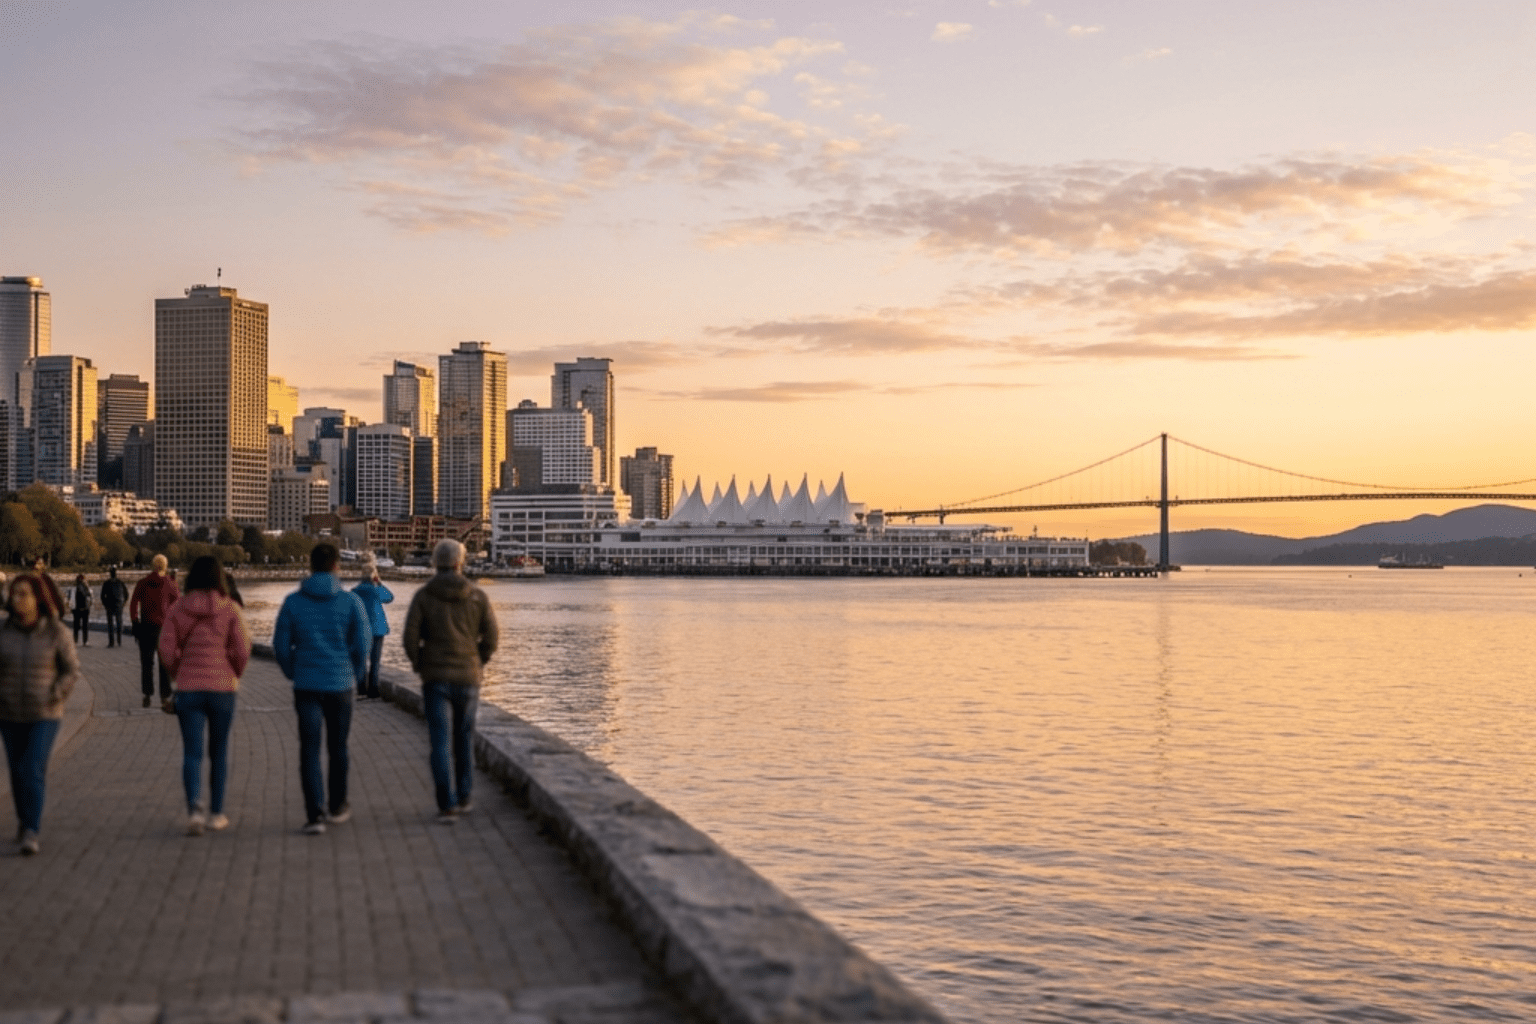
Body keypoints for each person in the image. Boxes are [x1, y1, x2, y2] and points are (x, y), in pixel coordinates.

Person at [273, 542, 369, 835]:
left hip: (307, 685)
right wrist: (354, 672)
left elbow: (281, 645)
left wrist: (293, 671)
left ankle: (315, 815)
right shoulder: (351, 602)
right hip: (340, 685)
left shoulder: (293, 602)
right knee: (338, 747)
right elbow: (362, 643)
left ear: (310, 566)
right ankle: (338, 806)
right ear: (337, 566)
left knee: (309, 750)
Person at [402, 539, 498, 823]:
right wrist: (478, 660)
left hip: (435, 678)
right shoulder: (478, 596)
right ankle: (465, 796)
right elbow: (491, 638)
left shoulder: (423, 596)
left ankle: (447, 804)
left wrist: (420, 663)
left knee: (440, 742)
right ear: (460, 563)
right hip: (468, 676)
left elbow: (410, 638)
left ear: (435, 563)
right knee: (464, 739)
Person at [159, 556, 251, 836]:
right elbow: (243, 648)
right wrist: (233, 671)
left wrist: (178, 671)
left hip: (189, 688)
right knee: (219, 752)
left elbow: (165, 648)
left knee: (192, 753)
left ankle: (194, 811)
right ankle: (216, 814)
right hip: (223, 689)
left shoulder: (178, 609)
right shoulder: (230, 608)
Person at [0, 573, 78, 855]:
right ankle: (23, 820)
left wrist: (56, 693)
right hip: (9, 713)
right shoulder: (3, 632)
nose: (17, 599)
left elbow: (71, 669)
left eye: (23, 594)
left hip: (44, 713)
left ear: (37, 599)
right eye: (14, 593)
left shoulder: (55, 632)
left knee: (32, 767)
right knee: (18, 771)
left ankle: (31, 828)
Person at [130, 555, 180, 709]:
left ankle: (147, 695)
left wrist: (135, 621)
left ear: (152, 565)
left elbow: (133, 604)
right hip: (164, 630)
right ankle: (164, 697)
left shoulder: (142, 583)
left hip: (145, 628)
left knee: (147, 663)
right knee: (164, 665)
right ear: (165, 566)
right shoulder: (171, 584)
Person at [350, 555, 394, 700]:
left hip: (360, 630)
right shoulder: (376, 590)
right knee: (375, 662)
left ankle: (361, 689)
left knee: (361, 660)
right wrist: (380, 582)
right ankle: (373, 691)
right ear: (373, 575)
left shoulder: (354, 591)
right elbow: (390, 597)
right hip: (377, 630)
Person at [100, 567, 129, 647]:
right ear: (116, 573)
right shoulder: (120, 582)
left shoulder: (106, 583)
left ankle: (111, 642)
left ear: (110, 573)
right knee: (119, 622)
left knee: (110, 624)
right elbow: (126, 594)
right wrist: (123, 603)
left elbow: (102, 596)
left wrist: (105, 604)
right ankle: (119, 640)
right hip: (119, 604)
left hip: (109, 605)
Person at [70, 574, 93, 646]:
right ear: (83, 580)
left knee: (76, 626)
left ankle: (75, 641)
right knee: (85, 626)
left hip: (76, 609)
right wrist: (87, 586)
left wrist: (71, 608)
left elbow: (70, 598)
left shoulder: (74, 588)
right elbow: (88, 594)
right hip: (84, 609)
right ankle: (85, 641)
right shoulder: (85, 587)